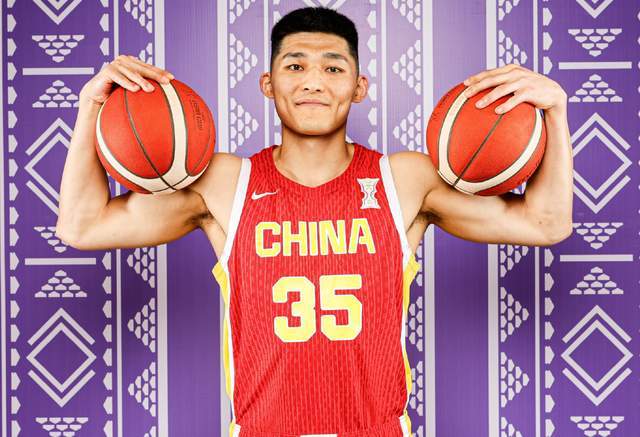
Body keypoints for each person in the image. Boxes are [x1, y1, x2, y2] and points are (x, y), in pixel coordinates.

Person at [56, 6, 573, 437]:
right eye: (295, 65)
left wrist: (556, 111)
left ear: (359, 85)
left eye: (333, 68)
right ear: (268, 83)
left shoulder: (403, 180)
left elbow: (545, 223)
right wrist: (90, 107)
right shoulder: (225, 182)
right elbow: (83, 226)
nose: (313, 83)